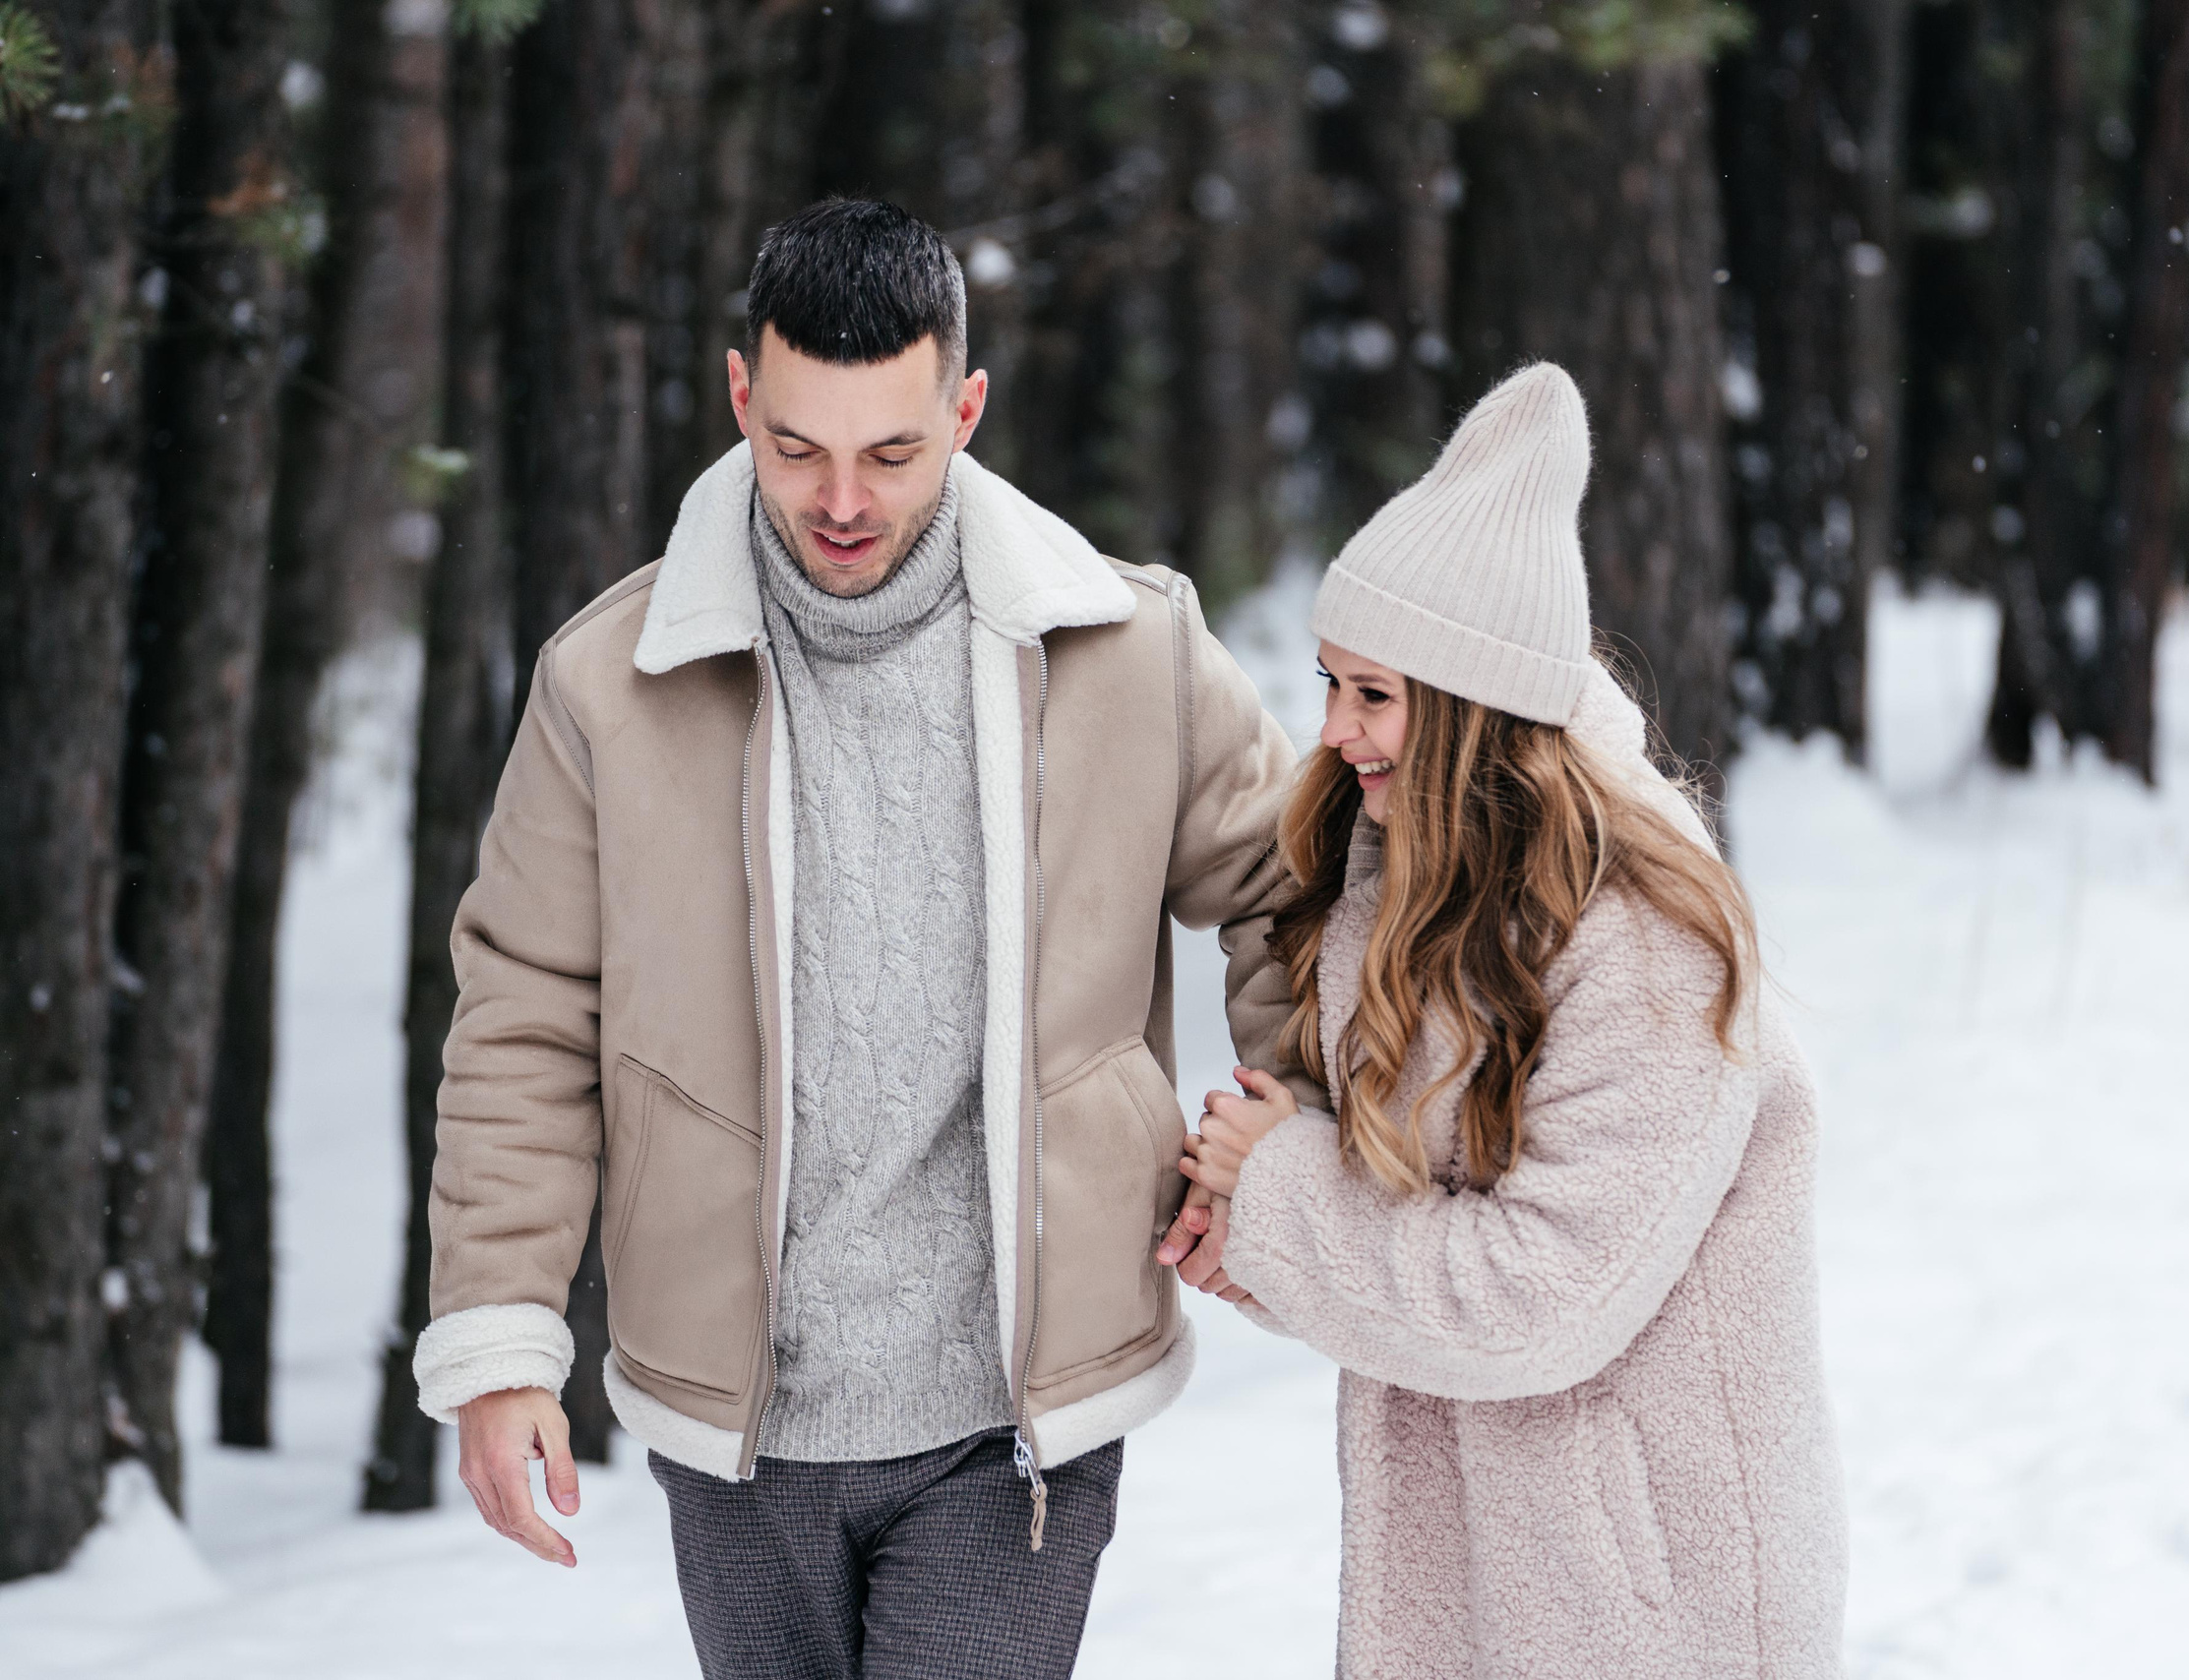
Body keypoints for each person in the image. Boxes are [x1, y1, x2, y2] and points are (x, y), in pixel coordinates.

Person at [410, 197, 1315, 1679]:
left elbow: (1294, 888)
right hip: (737, 1423)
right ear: (739, 396)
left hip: (1012, 1425)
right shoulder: (607, 684)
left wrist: (1289, 1131)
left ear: (965, 405)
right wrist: (503, 1338)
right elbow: (523, 1012)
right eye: (797, 447)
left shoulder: (1127, 649)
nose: (844, 499)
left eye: (894, 453)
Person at [1158, 364, 1849, 1676]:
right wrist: (1255, 1240)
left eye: (1375, 695)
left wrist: (1287, 1202)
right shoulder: (1405, 873)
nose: (1338, 730)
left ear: (1475, 707)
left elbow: (1541, 1296)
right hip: (1487, 1574)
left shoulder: (1647, 941)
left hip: (1646, 1600)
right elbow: (1409, 1215)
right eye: (1331, 683)